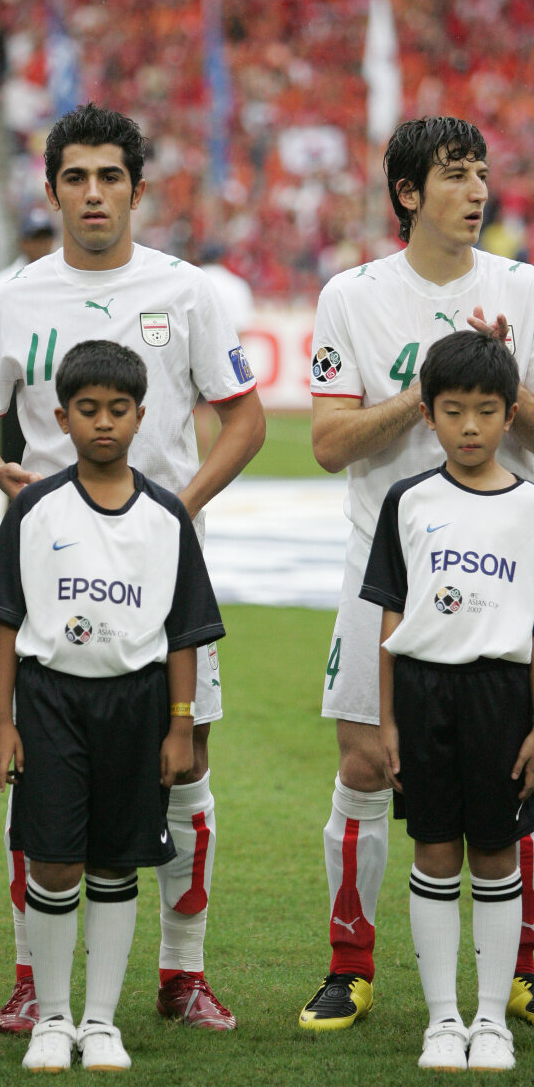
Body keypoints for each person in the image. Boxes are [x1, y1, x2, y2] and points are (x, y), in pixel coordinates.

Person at [0, 102, 265, 1032]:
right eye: (76, 177)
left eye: (110, 177)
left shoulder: (186, 291)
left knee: (185, 762)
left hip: (159, 577)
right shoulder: (14, 297)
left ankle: (184, 974)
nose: (93, 193)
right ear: (52, 189)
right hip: (52, 579)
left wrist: (178, 512)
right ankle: (33, 976)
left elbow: (245, 420)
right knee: (37, 765)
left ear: (138, 190)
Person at [301, 116, 534, 1031]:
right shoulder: (352, 296)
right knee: (366, 764)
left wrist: (502, 382)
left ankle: (522, 968)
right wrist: (426, 392)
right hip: (385, 569)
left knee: (516, 769)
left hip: (504, 568)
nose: (477, 191)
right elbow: (329, 442)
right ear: (408, 193)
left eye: (481, 173)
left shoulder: (522, 288)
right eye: (454, 174)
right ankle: (348, 966)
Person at [0, 339, 226, 1071]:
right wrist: (1, 721)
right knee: (53, 864)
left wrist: (180, 727)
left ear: (142, 416)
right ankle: (53, 1019)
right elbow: (5, 622)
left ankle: (101, 1022)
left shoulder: (167, 516)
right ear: (62, 418)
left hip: (138, 705)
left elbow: (184, 633)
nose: (103, 422)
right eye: (88, 409)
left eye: (118, 409)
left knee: (116, 866)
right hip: (50, 700)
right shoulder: (33, 509)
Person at [361, 330, 534, 1071]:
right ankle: (443, 1021)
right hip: (424, 692)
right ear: (428, 413)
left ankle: (490, 1020)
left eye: (486, 411)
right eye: (454, 410)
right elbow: (391, 617)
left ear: (509, 415)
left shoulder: (530, 506)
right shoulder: (407, 500)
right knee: (433, 848)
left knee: (495, 852)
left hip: (504, 694)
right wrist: (388, 719)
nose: (470, 427)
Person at [0, 206, 57, 466]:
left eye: (45, 238)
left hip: (49, 370)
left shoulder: (60, 278)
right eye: (35, 238)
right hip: (15, 374)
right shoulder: (2, 283)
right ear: (23, 242)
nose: (41, 245)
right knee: (14, 452)